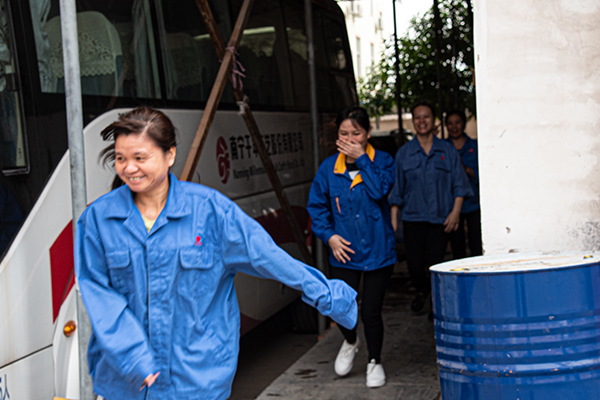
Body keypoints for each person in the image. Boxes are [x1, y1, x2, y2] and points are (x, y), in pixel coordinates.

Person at [74, 106, 358, 400]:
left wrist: (329, 295)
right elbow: (99, 294)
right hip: (125, 383)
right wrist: (132, 355)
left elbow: (268, 258)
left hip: (197, 379)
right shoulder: (98, 219)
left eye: (140, 158)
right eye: (121, 158)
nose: (129, 168)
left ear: (170, 155)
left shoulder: (210, 211)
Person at [307, 106, 396, 388]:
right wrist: (329, 236)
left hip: (379, 252)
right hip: (344, 252)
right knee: (341, 307)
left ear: (367, 134)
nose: (349, 139)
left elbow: (379, 191)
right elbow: (317, 208)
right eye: (343, 134)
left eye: (356, 133)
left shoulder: (383, 161)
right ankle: (350, 341)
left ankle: (375, 361)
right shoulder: (328, 168)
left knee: (370, 311)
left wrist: (362, 160)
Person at [390, 101, 472, 314]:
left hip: (440, 219)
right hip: (413, 219)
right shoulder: (404, 153)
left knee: (435, 265)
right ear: (413, 121)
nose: (422, 121)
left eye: (426, 117)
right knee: (415, 267)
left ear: (433, 121)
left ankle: (436, 306)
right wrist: (393, 221)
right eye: (417, 117)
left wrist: (455, 213)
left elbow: (459, 184)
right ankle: (422, 290)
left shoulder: (447, 150)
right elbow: (397, 191)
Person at [445, 109, 482, 258]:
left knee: (476, 246)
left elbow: (484, 175)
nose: (454, 127)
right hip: (452, 205)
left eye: (458, 123)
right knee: (457, 249)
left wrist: (465, 169)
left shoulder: (476, 146)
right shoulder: (443, 147)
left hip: (474, 204)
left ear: (464, 124)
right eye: (450, 123)